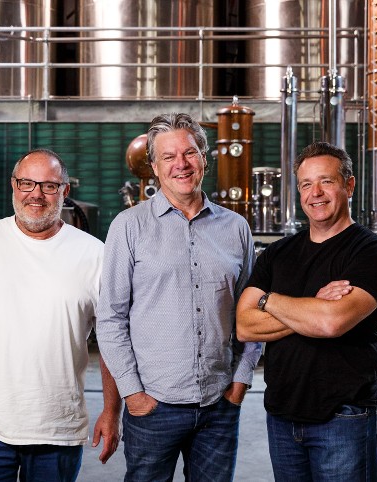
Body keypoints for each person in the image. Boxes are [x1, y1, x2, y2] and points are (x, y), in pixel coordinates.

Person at [0, 148, 121, 481]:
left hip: (59, 427)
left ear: (65, 190)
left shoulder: (95, 255)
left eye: (48, 185)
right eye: (27, 183)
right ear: (13, 186)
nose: (36, 194)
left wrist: (112, 412)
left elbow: (113, 338)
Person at [95, 113, 262, 482]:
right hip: (154, 405)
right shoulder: (129, 226)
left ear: (205, 158)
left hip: (219, 403)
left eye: (189, 153)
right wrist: (133, 394)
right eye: (168, 157)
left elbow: (251, 313)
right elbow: (110, 319)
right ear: (154, 166)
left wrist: (240, 380)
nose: (181, 164)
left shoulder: (236, 228)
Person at [236, 141, 377, 481]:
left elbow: (331, 322)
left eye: (326, 181)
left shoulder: (371, 253)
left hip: (342, 416)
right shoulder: (278, 253)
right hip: (281, 414)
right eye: (306, 184)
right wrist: (311, 303)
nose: (316, 193)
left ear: (348, 185)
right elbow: (244, 325)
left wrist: (268, 300)